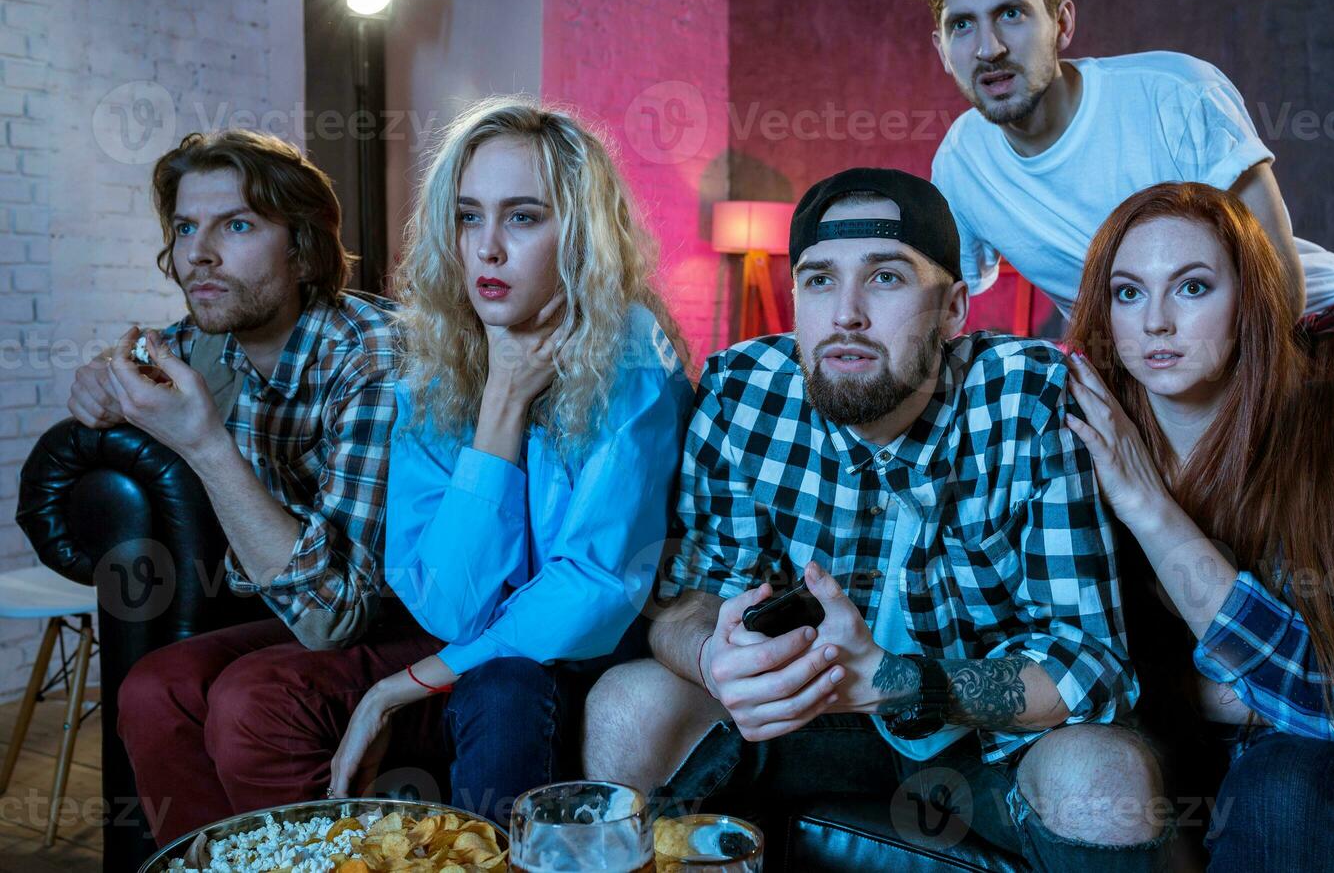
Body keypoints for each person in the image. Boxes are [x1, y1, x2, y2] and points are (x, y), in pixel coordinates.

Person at [583, 167, 1173, 871]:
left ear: (954, 309)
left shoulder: (1027, 400)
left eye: (886, 278)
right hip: (808, 719)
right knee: (627, 701)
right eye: (819, 280)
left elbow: (1090, 662)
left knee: (1105, 778)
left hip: (985, 739)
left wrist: (901, 681)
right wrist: (714, 657)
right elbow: (693, 597)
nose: (846, 314)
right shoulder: (743, 392)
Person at [916, 0, 1334, 477]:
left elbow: (1280, 284)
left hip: (1311, 331)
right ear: (941, 47)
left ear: (1061, 23)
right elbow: (933, 308)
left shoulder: (1172, 93)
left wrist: (1208, 421)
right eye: (962, 25)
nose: (988, 48)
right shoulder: (962, 165)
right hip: (1154, 373)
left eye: (1011, 14)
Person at [1059, 180, 1334, 870]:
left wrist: (1147, 508)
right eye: (1128, 293)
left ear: (1250, 300)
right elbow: (1057, 670)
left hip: (1315, 766)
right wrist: (1219, 694)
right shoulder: (1070, 427)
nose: (1156, 321)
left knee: (1286, 781)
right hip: (1151, 742)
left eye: (1192, 288)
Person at [326, 98, 694, 823]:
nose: (487, 248)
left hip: (617, 645)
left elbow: (591, 594)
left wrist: (402, 683)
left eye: (523, 217)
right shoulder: (433, 360)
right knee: (501, 681)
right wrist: (503, 398)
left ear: (580, 235)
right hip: (500, 657)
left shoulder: (633, 355)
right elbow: (450, 604)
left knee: (501, 684)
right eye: (469, 216)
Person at [99, 130, 433, 846]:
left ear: (305, 250)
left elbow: (334, 618)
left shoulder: (374, 355)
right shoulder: (209, 339)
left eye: (238, 225)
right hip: (320, 607)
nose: (199, 254)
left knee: (254, 701)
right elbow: (127, 358)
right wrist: (99, 379)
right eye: (186, 227)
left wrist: (204, 444)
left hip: (424, 616)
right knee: (152, 690)